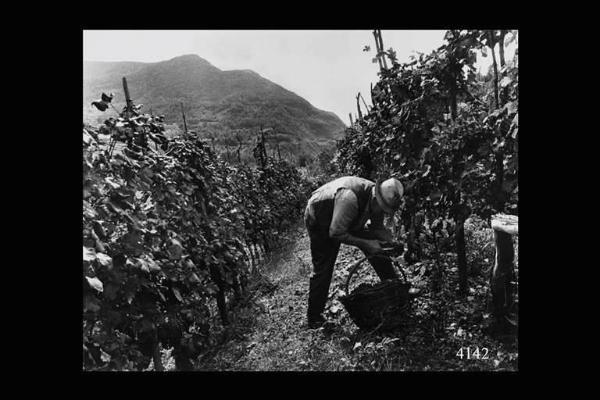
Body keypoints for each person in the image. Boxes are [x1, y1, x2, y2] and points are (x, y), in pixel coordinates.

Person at [304, 176, 405, 328]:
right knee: (324, 266)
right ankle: (314, 318)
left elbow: (377, 228)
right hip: (320, 217)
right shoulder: (349, 199)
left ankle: (394, 288)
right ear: (376, 199)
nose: (382, 213)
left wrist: (389, 242)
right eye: (383, 209)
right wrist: (366, 244)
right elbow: (336, 233)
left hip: (343, 217)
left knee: (378, 247)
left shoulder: (377, 199)